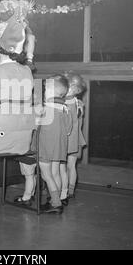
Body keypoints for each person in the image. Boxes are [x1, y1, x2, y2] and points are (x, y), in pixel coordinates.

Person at [0, 48, 36, 205]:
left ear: (0, 52)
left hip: (1, 139)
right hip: (24, 137)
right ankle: (28, 193)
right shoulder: (27, 70)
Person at [37, 75, 72, 213]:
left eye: (46, 90)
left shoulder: (45, 108)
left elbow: (35, 124)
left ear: (51, 92)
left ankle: (56, 203)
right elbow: (68, 130)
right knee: (55, 173)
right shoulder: (65, 109)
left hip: (46, 146)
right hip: (59, 147)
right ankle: (53, 199)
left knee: (46, 174)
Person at [60, 72, 87, 204]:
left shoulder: (65, 103)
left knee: (62, 167)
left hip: (67, 139)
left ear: (72, 88)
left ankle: (63, 191)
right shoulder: (79, 102)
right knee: (72, 166)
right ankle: (70, 191)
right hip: (76, 139)